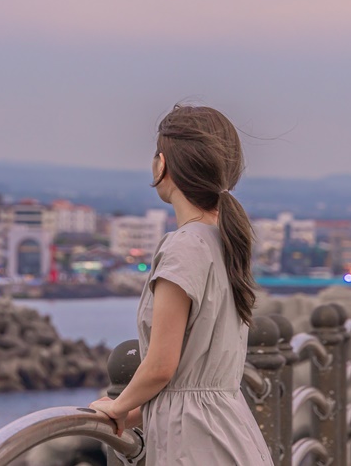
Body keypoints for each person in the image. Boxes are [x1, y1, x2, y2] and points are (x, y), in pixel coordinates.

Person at [91, 104, 272, 465]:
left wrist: (116, 406)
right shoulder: (224, 239)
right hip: (230, 431)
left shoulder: (184, 246)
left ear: (162, 166)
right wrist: (138, 411)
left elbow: (162, 366)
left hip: (193, 443)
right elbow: (192, 379)